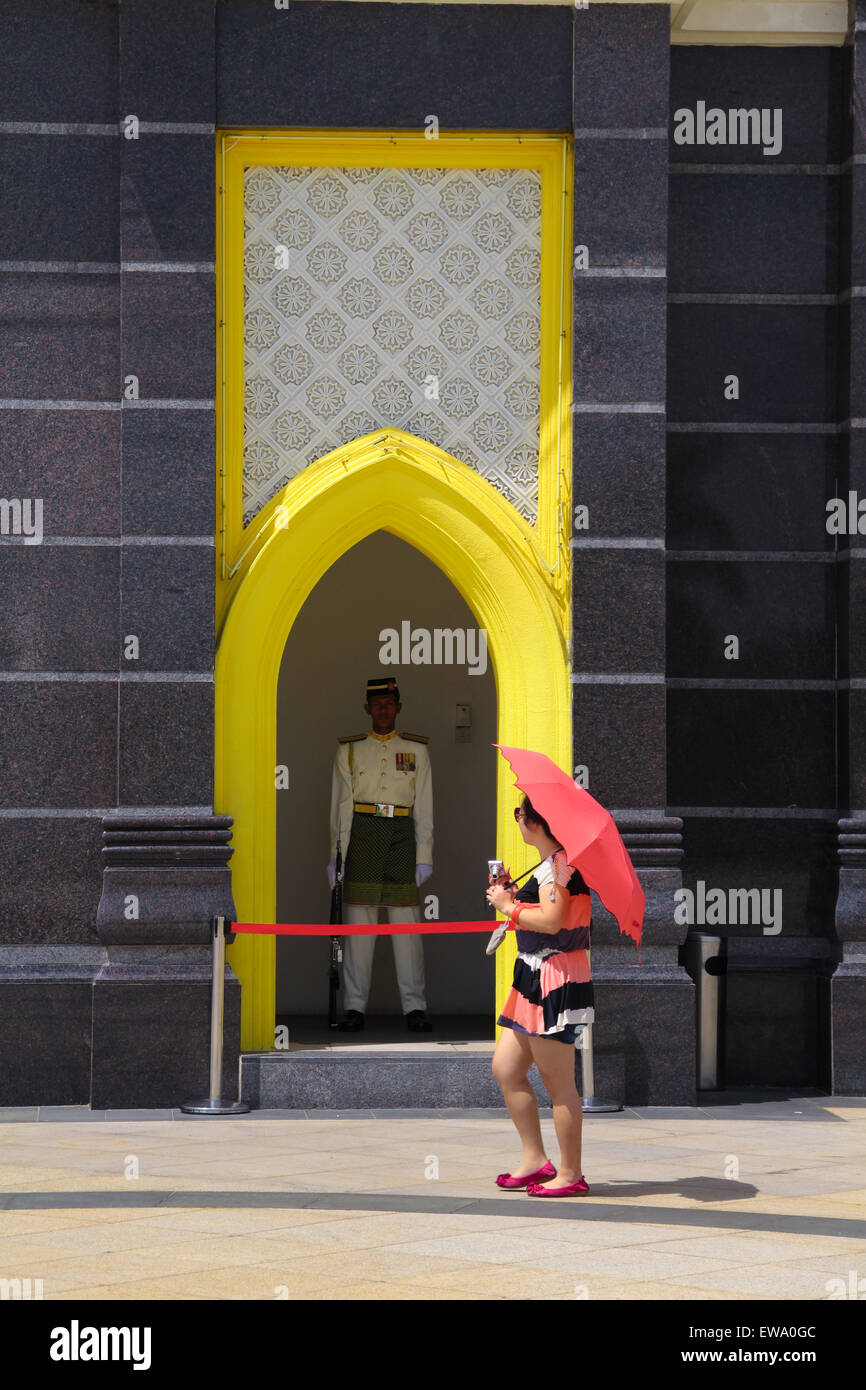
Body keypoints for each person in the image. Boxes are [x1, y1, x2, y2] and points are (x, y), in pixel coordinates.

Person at [485, 794, 593, 1196]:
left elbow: (551, 921)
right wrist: (513, 895)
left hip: (553, 978)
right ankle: (535, 1159)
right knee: (507, 1069)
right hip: (533, 974)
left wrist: (507, 906)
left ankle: (571, 1174)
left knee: (558, 1083)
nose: (518, 819)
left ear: (536, 822)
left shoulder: (560, 865)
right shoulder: (551, 864)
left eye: (520, 814)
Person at [328, 676, 434, 1033]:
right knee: (360, 928)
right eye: (377, 704)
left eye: (389, 703)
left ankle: (415, 1007)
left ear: (399, 707)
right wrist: (336, 856)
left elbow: (425, 805)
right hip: (363, 834)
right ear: (367, 708)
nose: (383, 709)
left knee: (408, 928)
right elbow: (341, 808)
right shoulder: (350, 749)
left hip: (403, 835)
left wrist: (425, 854)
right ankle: (355, 1008)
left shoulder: (417, 750)